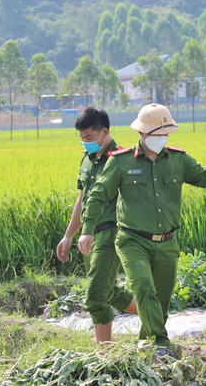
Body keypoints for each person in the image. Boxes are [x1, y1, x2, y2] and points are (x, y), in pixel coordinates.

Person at [77, 103, 206, 354]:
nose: (162, 139)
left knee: (161, 301)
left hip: (167, 242)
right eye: (157, 134)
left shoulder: (178, 160)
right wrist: (87, 229)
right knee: (142, 285)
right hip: (132, 239)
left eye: (166, 134)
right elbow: (97, 195)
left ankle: (146, 346)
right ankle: (161, 344)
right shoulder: (119, 162)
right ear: (142, 134)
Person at [56, 107, 138, 344]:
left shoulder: (121, 159)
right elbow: (82, 200)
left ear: (104, 132)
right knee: (109, 291)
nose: (86, 142)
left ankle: (104, 354)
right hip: (88, 236)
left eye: (89, 138)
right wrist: (68, 235)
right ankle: (154, 314)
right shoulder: (87, 159)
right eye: (82, 139)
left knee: (95, 296)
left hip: (112, 233)